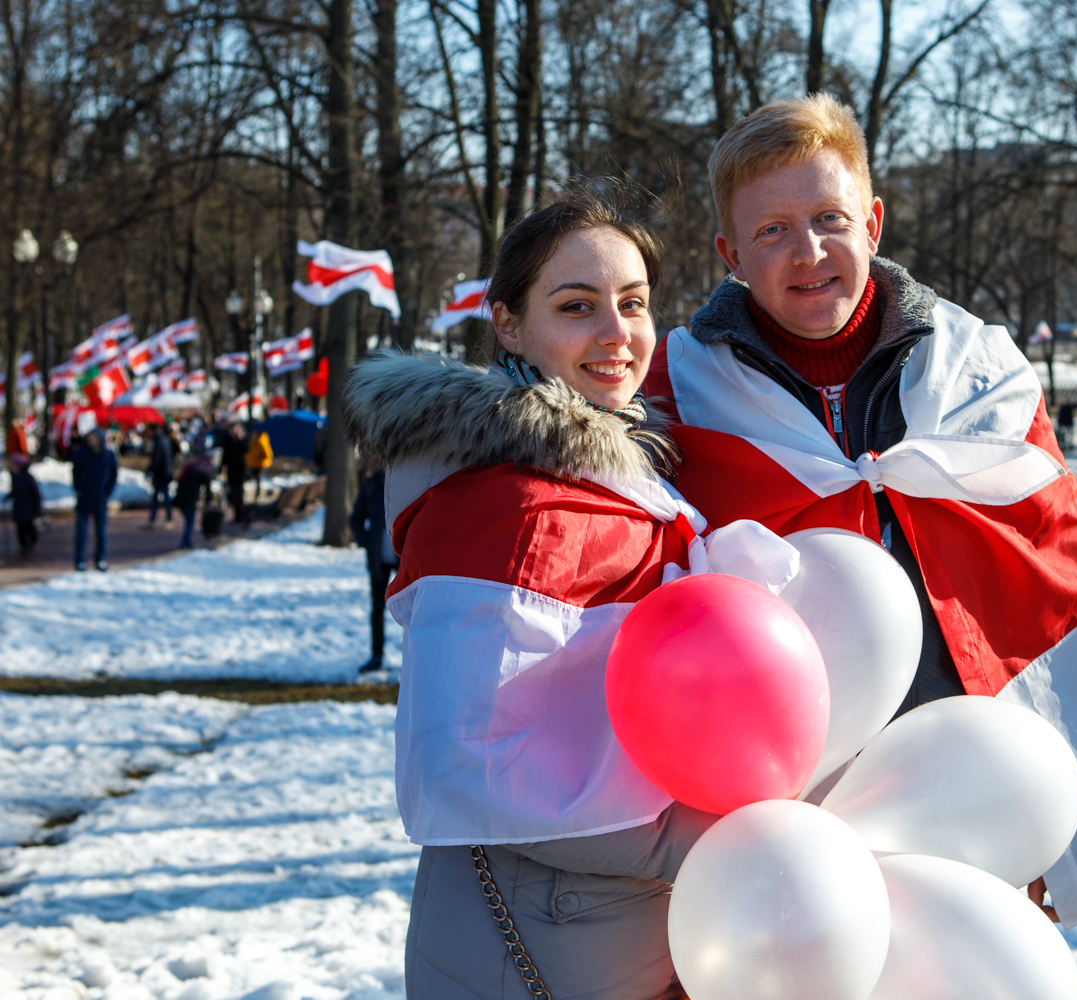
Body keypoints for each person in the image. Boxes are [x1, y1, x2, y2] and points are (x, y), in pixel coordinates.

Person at [642, 95, 1077, 930]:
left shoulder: (980, 375)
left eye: (829, 218)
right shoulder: (678, 395)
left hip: (972, 786)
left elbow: (1056, 596)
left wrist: (1055, 823)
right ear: (729, 253)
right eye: (772, 231)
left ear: (872, 221)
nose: (809, 252)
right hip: (780, 812)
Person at [345, 195, 739, 999]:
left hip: (607, 930)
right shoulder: (509, 506)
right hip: (534, 945)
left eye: (633, 303)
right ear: (509, 325)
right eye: (576, 306)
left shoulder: (627, 473)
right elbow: (475, 761)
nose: (616, 332)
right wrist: (707, 841)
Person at [348, 463, 399, 674]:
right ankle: (376, 656)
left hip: (403, 560)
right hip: (378, 560)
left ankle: (412, 658)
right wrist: (367, 542)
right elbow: (355, 519)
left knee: (413, 611)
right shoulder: (372, 485)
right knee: (377, 610)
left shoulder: (407, 484)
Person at [70, 417, 117, 571]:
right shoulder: (81, 453)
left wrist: (107, 491)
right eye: (89, 438)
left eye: (94, 438)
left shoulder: (108, 455)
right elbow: (75, 472)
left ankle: (100, 559)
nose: (91, 441)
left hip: (100, 499)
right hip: (84, 498)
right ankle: (80, 560)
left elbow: (113, 475)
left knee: (101, 532)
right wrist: (78, 489)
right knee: (81, 533)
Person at [174, 447, 215, 549]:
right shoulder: (203, 471)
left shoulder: (192, 467)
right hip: (188, 499)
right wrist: (208, 502)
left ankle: (186, 541)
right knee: (190, 521)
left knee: (189, 520)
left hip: (181, 497)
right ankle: (185, 542)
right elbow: (208, 489)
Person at [5, 455, 42, 555]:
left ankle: (32, 544)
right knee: (20, 528)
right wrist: (9, 497)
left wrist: (37, 509)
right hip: (18, 507)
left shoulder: (27, 477)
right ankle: (24, 547)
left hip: (27, 507)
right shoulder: (14, 476)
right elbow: (15, 491)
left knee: (28, 527)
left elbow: (35, 494)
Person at [145, 425, 176, 529]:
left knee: (157, 498)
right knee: (165, 497)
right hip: (166, 473)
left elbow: (156, 459)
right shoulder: (166, 440)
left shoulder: (159, 441)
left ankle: (154, 520)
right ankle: (168, 519)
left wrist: (149, 469)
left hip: (160, 474)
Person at [220, 421, 250, 524]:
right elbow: (225, 455)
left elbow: (246, 449)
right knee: (233, 492)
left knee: (239, 491)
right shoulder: (227, 440)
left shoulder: (242, 439)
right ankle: (236, 514)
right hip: (231, 469)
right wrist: (221, 467)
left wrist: (240, 438)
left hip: (240, 469)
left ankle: (241, 513)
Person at [246, 425, 273, 500]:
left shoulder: (261, 442)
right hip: (252, 464)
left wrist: (260, 460)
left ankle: (259, 494)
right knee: (254, 479)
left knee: (258, 479)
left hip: (261, 465)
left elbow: (268, 455)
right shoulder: (251, 442)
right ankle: (257, 493)